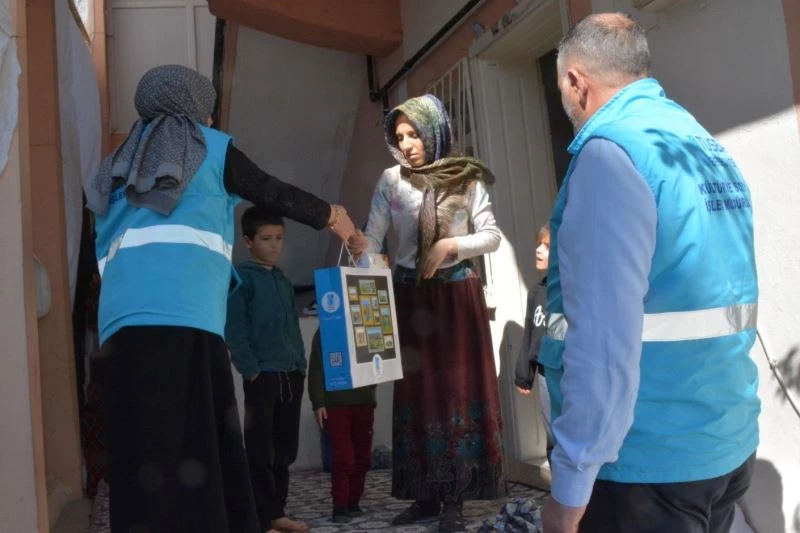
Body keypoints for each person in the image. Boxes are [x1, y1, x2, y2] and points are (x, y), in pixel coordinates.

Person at [87, 64, 355, 533]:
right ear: (194, 109)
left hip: (121, 324)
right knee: (201, 435)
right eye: (206, 111)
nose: (210, 120)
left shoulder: (118, 163)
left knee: (140, 442)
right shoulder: (208, 148)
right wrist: (331, 215)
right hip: (186, 315)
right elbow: (271, 191)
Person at [539, 14, 759, 533]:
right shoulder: (704, 145)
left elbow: (602, 341)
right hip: (724, 440)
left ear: (576, 81)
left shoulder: (610, 154)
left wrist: (569, 489)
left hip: (645, 462)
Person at [348, 94, 505, 533]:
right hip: (409, 296)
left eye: (414, 134)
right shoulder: (391, 181)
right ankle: (424, 495)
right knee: (417, 395)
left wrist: (451, 244)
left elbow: (491, 236)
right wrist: (361, 262)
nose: (407, 144)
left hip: (455, 296)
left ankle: (454, 498)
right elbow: (375, 239)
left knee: (455, 393)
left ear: (434, 132)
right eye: (400, 136)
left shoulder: (467, 178)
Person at [225, 208, 310, 533]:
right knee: (261, 449)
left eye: (279, 238)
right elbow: (234, 329)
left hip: (291, 375)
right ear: (248, 241)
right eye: (266, 239)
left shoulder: (284, 281)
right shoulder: (241, 279)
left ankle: (278, 512)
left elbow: (292, 329)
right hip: (263, 376)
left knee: (285, 448)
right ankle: (265, 516)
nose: (274, 246)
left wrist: (300, 366)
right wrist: (251, 371)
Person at [307, 328, 377, 524]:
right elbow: (316, 369)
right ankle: (340, 505)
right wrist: (318, 402)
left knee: (363, 457)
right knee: (343, 456)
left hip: (364, 401)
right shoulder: (327, 328)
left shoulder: (366, 326)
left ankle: (353, 502)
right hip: (335, 403)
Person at [514, 225, 553, 457]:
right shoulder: (536, 293)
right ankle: (558, 489)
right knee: (552, 433)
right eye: (538, 244)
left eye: (547, 247)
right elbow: (530, 333)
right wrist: (524, 374)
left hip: (571, 372)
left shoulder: (572, 290)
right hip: (545, 373)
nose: (538, 250)